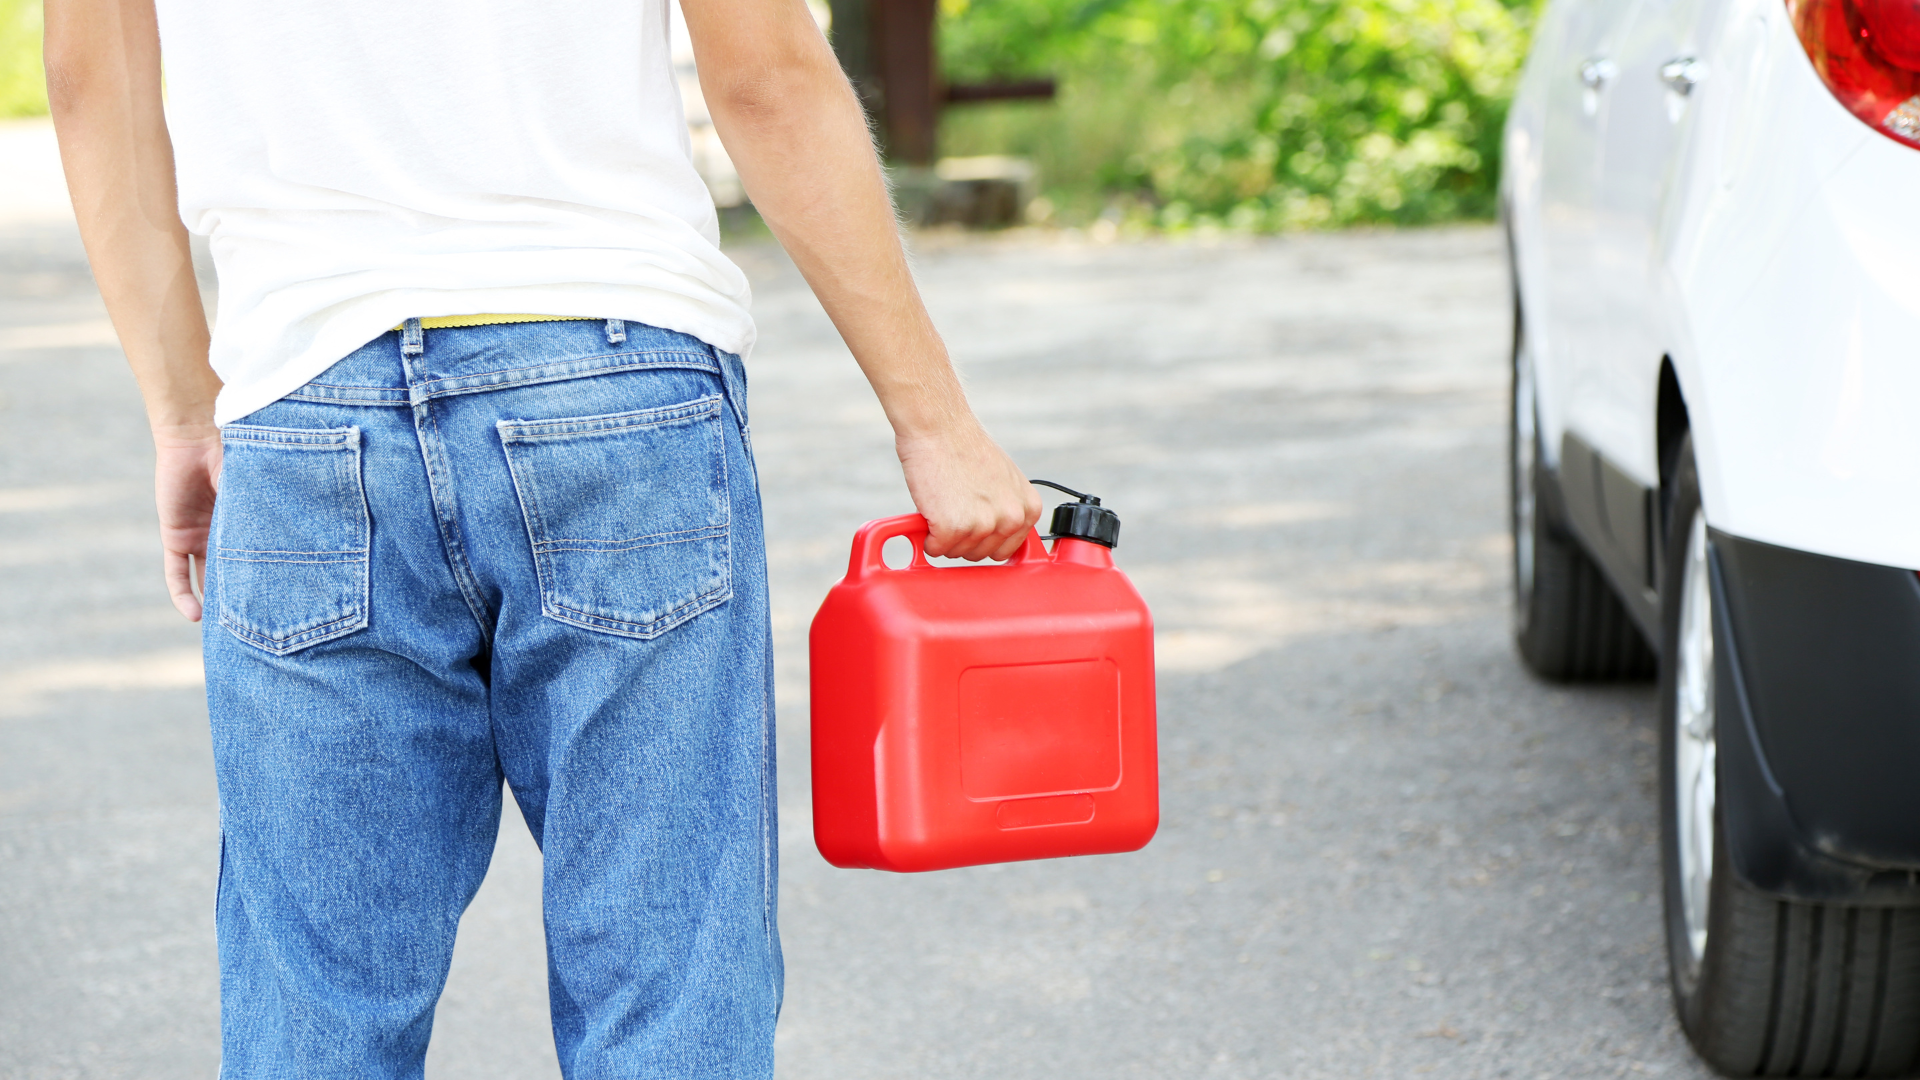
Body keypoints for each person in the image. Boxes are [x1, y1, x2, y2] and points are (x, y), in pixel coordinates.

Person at [43, 0, 1043, 1073]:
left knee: (314, 1008)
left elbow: (92, 81)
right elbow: (768, 76)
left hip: (306, 410)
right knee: (668, 985)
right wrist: (932, 421)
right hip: (615, 391)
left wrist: (182, 407)